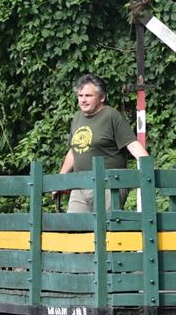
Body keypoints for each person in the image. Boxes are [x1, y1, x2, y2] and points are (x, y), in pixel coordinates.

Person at [58, 74, 148, 212]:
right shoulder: (77, 118)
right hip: (80, 185)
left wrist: (147, 168)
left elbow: (132, 144)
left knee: (104, 229)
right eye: (80, 95)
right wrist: (60, 180)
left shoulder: (111, 116)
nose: (83, 100)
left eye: (88, 95)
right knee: (74, 229)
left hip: (109, 184)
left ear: (102, 97)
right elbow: (73, 151)